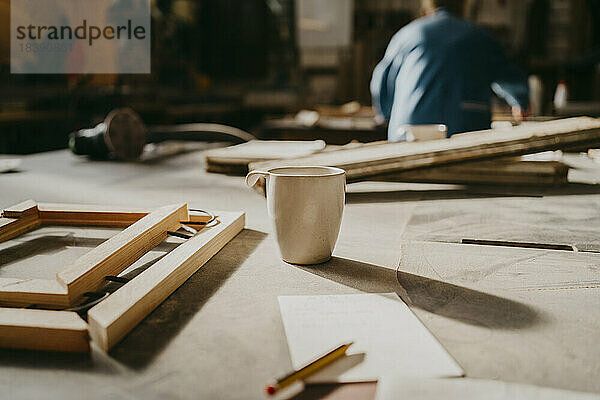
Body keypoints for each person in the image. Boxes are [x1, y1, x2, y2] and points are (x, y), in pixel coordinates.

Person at [370, 0, 529, 141]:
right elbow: (509, 77)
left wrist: (385, 114)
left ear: (427, 6)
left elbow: (381, 82)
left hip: (408, 132)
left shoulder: (407, 35)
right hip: (464, 131)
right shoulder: (480, 37)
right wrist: (520, 102)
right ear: (464, 5)